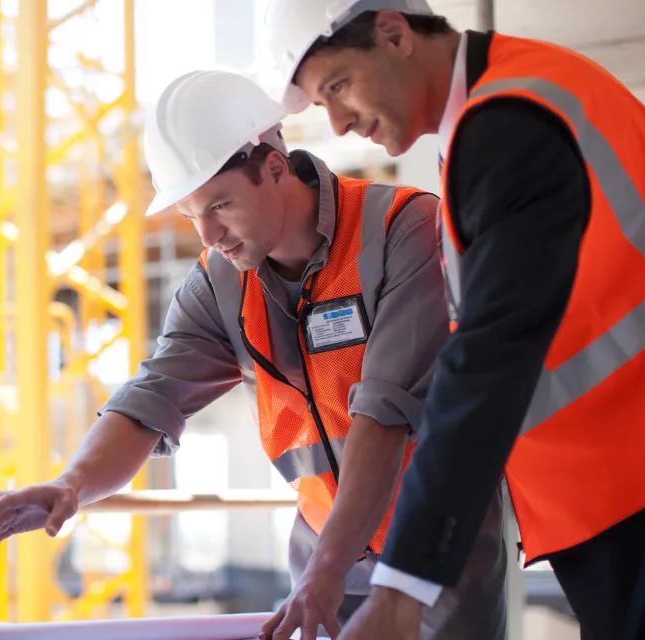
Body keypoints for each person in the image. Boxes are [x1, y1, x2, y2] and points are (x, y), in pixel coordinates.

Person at [0, 69, 506, 639]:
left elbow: (384, 414)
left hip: (432, 552)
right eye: (190, 215)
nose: (208, 235)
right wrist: (73, 484)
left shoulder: (402, 230)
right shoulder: (221, 282)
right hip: (324, 553)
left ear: (275, 168)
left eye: (220, 205)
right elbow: (154, 396)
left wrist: (324, 572)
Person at [263, 1, 645, 638]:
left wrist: (403, 585)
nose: (339, 122)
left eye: (338, 86)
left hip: (627, 484)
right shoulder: (510, 101)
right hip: (612, 482)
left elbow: (486, 362)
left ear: (394, 33)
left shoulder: (507, 127)